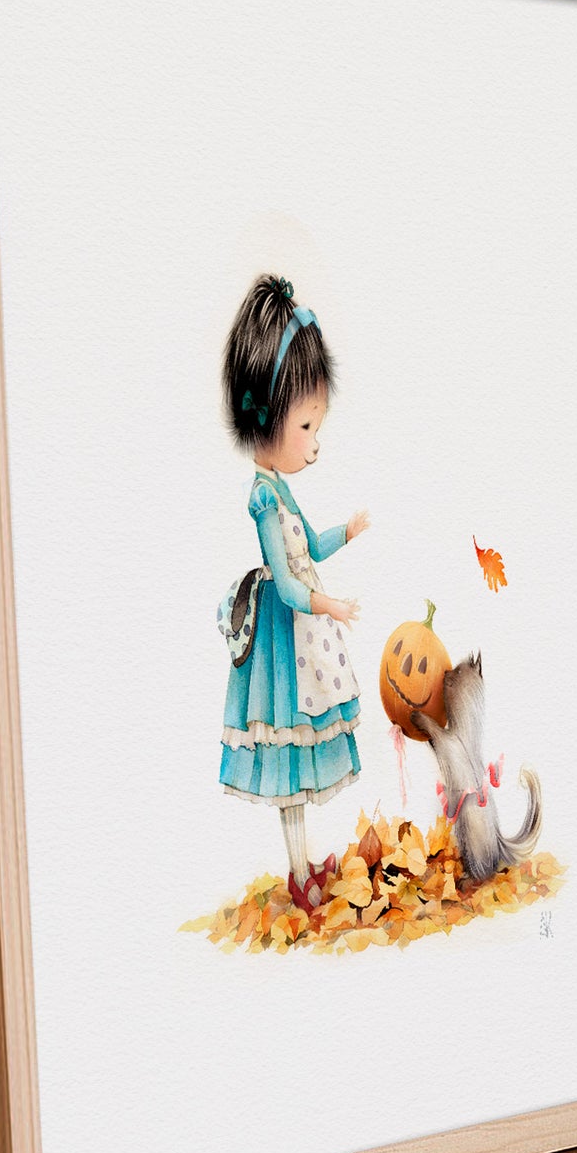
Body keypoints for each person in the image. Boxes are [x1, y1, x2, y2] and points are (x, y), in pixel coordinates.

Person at [217, 274, 369, 912]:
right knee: (288, 750)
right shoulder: (261, 497)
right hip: (286, 641)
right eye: (306, 425)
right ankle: (297, 868)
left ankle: (304, 863)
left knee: (306, 754)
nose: (314, 442)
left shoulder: (285, 490)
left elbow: (311, 545)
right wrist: (329, 606)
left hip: (306, 637)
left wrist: (350, 532)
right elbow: (285, 579)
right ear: (265, 418)